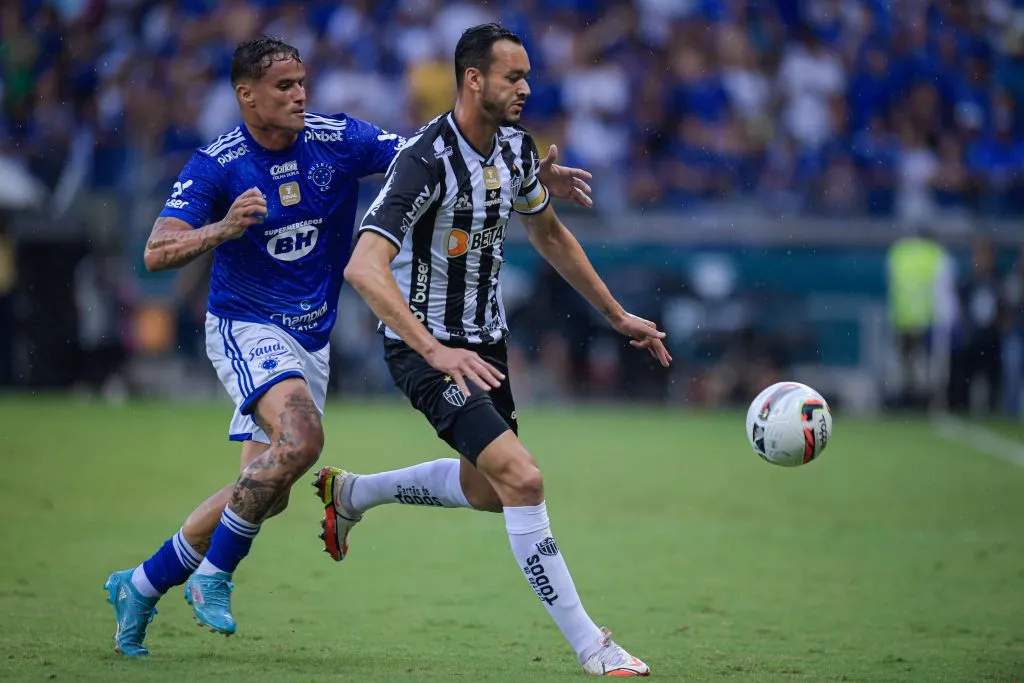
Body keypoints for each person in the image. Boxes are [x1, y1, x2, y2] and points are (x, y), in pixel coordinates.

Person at [103, 35, 593, 657]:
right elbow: (156, 251)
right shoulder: (219, 163)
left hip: (310, 337)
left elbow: (428, 156)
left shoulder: (337, 138)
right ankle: (214, 576)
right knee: (303, 441)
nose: (299, 95)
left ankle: (141, 584)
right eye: (284, 87)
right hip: (246, 324)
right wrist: (223, 228)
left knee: (266, 492)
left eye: (302, 83)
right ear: (246, 95)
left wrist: (522, 173)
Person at [317, 23, 670, 677]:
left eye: (528, 75)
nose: (526, 87)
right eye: (514, 76)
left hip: (486, 345)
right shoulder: (424, 159)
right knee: (524, 479)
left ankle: (354, 494)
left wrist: (617, 314)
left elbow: (549, 233)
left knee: (488, 490)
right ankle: (594, 647)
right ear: (473, 79)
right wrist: (434, 350)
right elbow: (363, 268)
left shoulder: (515, 148)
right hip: (426, 349)